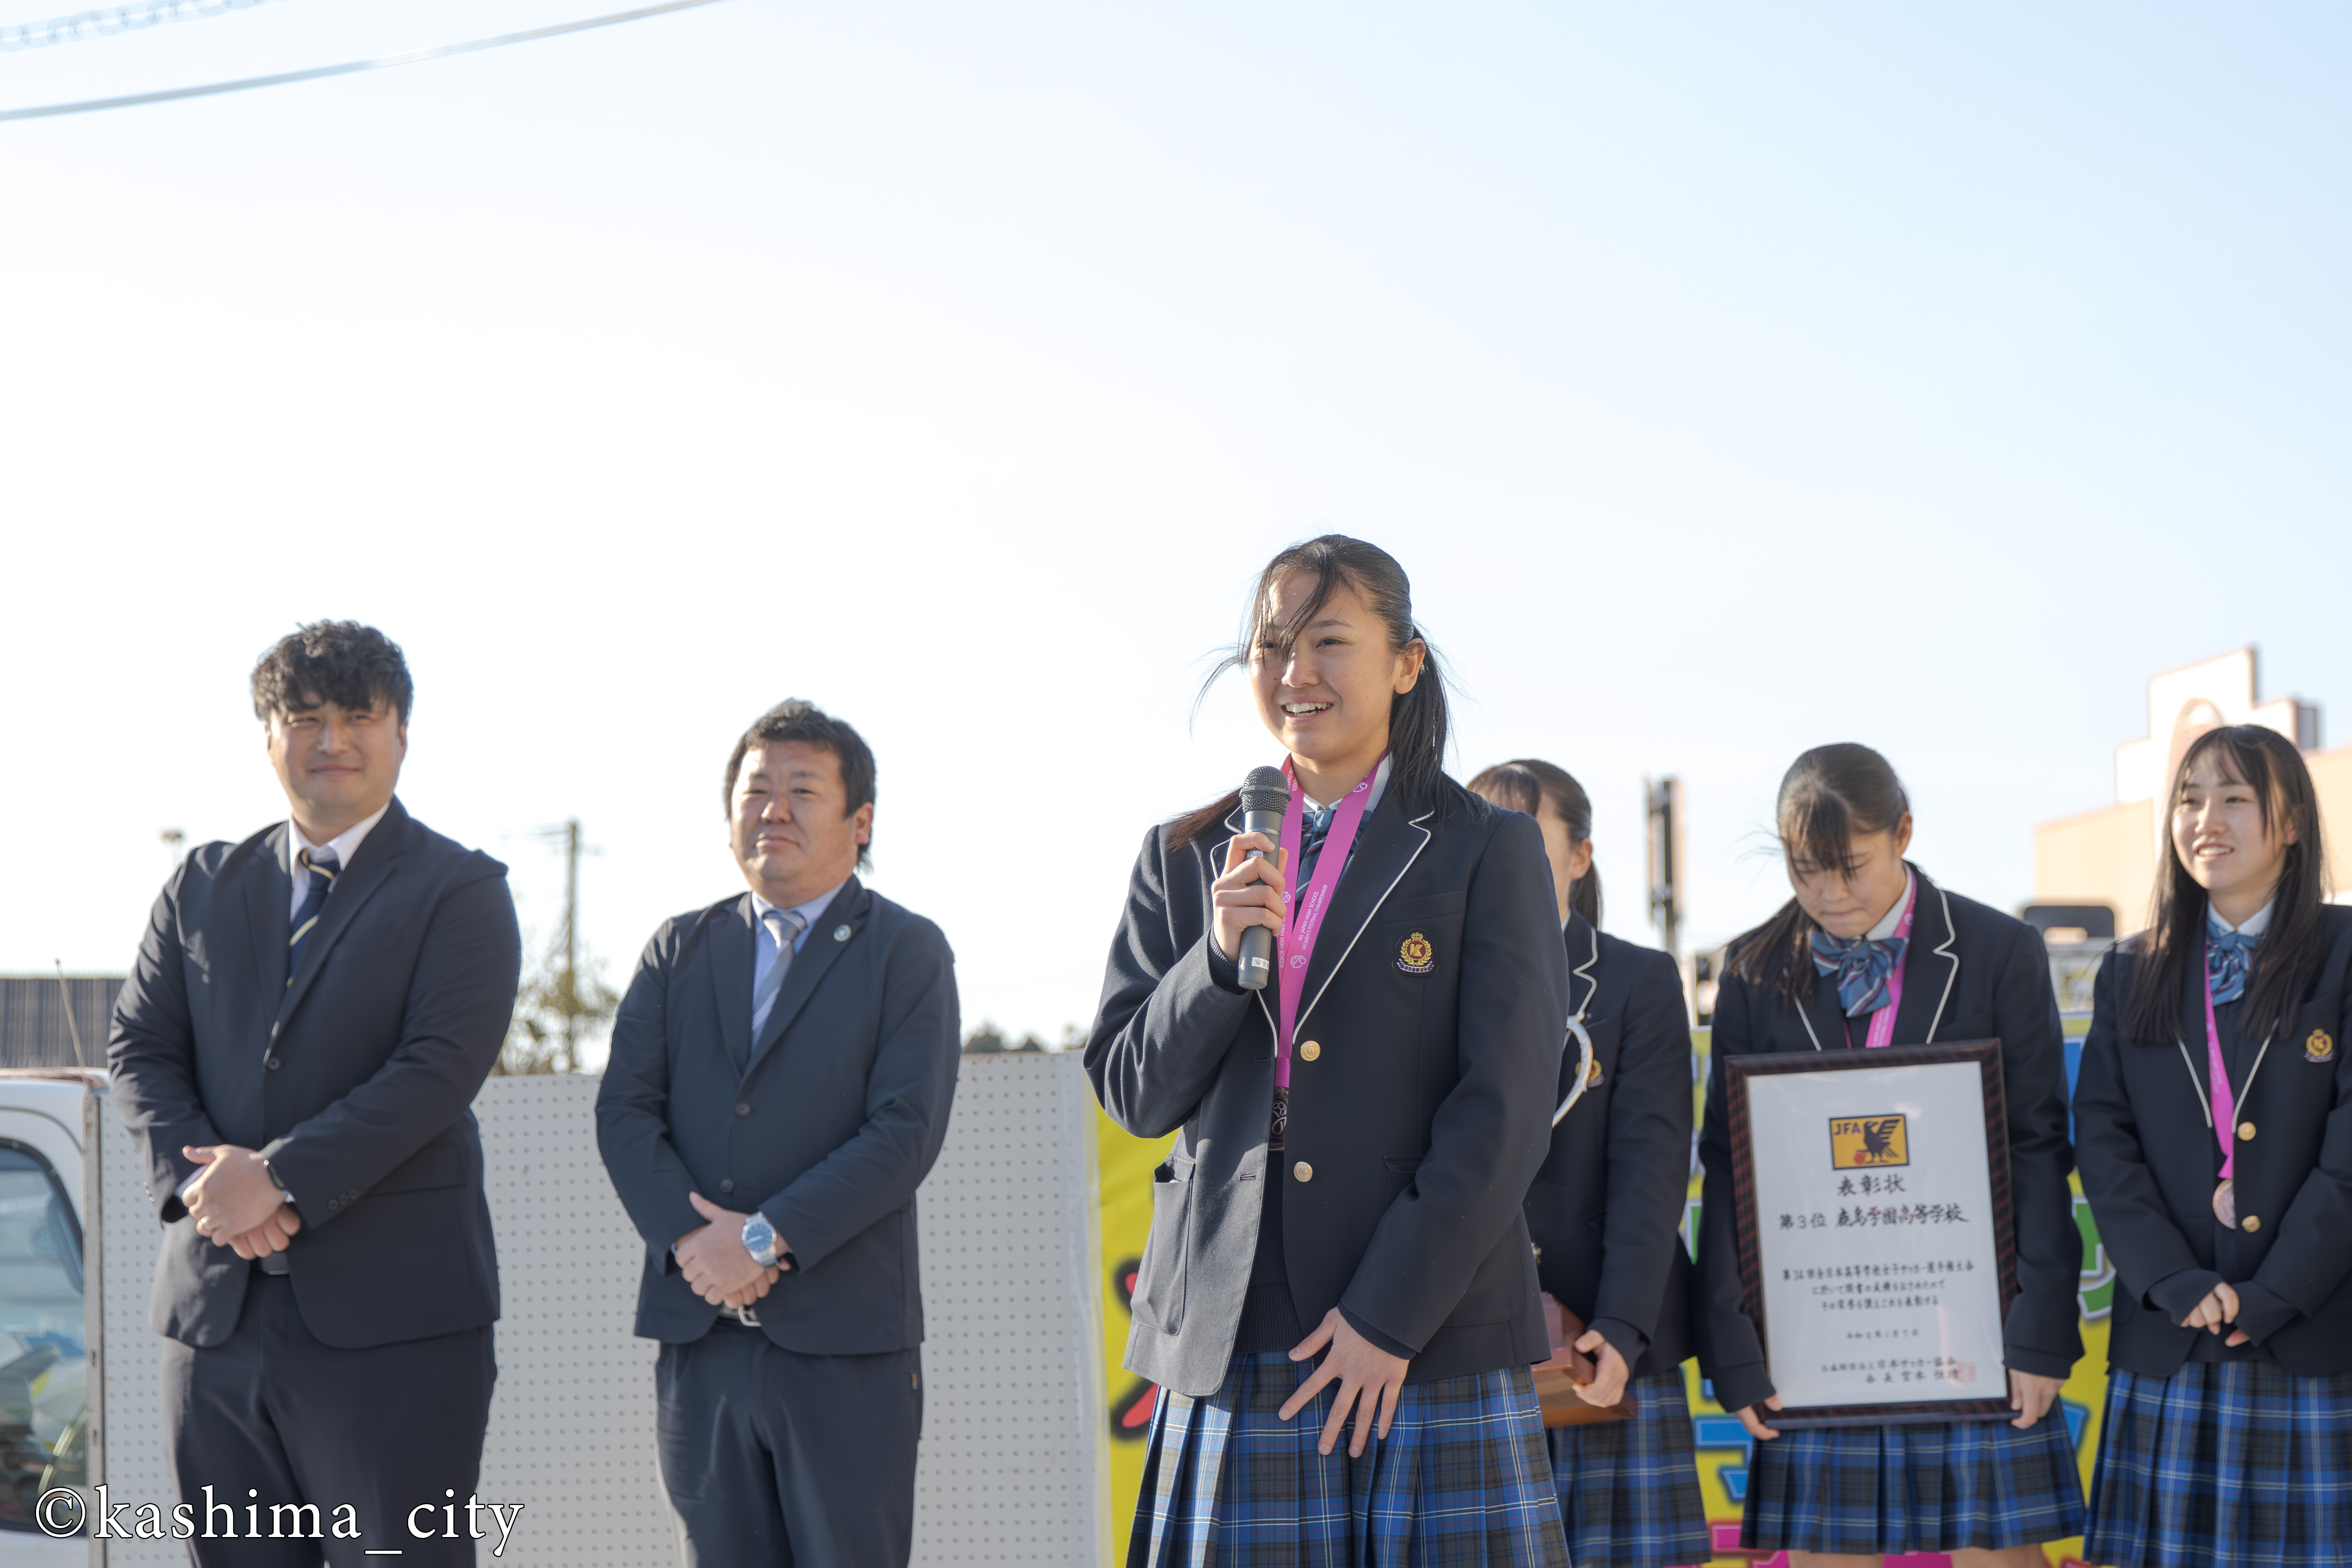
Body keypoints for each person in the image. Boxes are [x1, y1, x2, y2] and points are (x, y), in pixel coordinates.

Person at [1089, 535, 1573, 1567]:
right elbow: (1133, 1091)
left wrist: (1388, 1318)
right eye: (1271, 645)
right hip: (1233, 1331)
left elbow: (1507, 1104)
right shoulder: (1184, 856)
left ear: (1406, 663)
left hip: (1427, 1332)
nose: (1295, 673)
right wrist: (1217, 961)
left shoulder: (1486, 847)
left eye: (1329, 642)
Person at [107, 622, 522, 1567]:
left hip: (394, 1332)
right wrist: (205, 1185)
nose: (330, 740)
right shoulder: (202, 885)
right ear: (267, 737)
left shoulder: (460, 890)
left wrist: (281, 1180)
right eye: (304, 718)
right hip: (215, 1326)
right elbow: (138, 1048)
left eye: (356, 717)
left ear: (402, 734)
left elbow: (437, 1069)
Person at [1692, 743, 2083, 1567]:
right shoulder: (1754, 971)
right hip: (1814, 1329)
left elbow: (2038, 1140)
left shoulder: (1998, 950)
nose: (1829, 895)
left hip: (1974, 1321)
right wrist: (1733, 1340)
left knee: (1999, 1553)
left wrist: (2041, 1327)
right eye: (1805, 871)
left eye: (1850, 868)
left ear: (1903, 833)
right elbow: (1730, 1162)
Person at [596, 699, 961, 1568]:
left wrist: (763, 1239)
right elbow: (625, 1113)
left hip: (844, 1344)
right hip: (701, 1334)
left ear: (860, 822)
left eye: (803, 790)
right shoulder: (679, 950)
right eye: (756, 789)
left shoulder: (906, 951)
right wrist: (697, 1242)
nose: (774, 809)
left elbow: (903, 1133)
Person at [2073, 724, 2352, 1568]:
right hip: (2172, 1337)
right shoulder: (2132, 969)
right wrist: (2171, 1279)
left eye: (2235, 797)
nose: (2207, 819)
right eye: (2191, 799)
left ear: (2291, 822)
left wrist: (2279, 1289)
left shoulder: (2345, 952)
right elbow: (2104, 1140)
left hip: (2310, 1332)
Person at [1466, 758, 1710, 1568]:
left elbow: (1654, 1169)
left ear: (1581, 857)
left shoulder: (1637, 981)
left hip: (1612, 1345)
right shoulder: (1426, 978)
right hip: (1465, 1341)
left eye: (1530, 847)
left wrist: (1620, 1326)